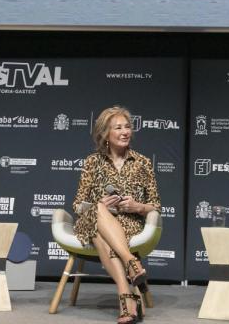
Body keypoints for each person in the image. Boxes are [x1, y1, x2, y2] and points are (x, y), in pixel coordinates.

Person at [72, 106, 161, 324]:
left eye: (127, 127)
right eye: (118, 128)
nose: (125, 132)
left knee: (101, 236)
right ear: (105, 134)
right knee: (97, 210)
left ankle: (126, 297)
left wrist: (137, 207)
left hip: (128, 223)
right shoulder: (92, 162)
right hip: (92, 220)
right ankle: (131, 262)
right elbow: (77, 204)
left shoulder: (142, 163)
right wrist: (100, 205)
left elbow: (155, 206)